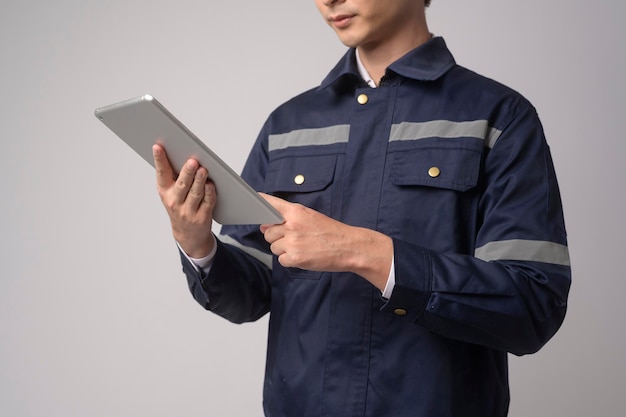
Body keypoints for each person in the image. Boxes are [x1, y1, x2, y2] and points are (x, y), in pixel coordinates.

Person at [152, 0, 571, 416]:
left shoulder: (499, 116)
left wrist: (361, 252)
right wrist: (196, 241)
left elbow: (531, 303)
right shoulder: (288, 126)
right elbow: (250, 292)